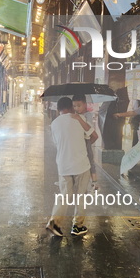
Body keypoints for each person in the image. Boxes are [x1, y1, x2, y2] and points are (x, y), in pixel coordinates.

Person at [46, 97, 95, 237]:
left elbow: (57, 143)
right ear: (71, 107)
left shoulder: (54, 124)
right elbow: (92, 136)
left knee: (64, 196)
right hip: (81, 165)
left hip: (63, 165)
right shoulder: (79, 119)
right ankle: (78, 226)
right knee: (81, 196)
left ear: (58, 109)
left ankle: (54, 224)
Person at [72, 94, 100, 191]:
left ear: (85, 104)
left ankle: (94, 183)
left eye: (79, 105)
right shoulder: (75, 115)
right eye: (74, 106)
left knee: (90, 161)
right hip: (77, 141)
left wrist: (88, 144)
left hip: (86, 140)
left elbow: (89, 129)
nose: (76, 108)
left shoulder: (88, 115)